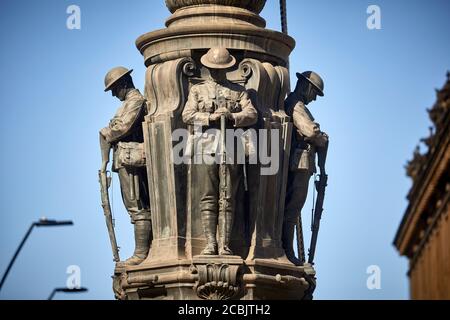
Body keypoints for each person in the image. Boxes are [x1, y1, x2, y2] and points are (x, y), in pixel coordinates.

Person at [182, 47, 258, 256]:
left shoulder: (238, 91)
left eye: (220, 69)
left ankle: (224, 244)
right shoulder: (197, 90)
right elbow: (187, 115)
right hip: (205, 147)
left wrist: (233, 117)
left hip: (232, 147)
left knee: (228, 196)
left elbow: (252, 114)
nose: (216, 72)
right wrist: (210, 118)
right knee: (207, 196)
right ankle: (210, 243)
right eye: (212, 68)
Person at [100, 66, 152, 266]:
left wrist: (106, 131)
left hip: (132, 159)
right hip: (124, 158)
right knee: (133, 207)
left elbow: (123, 128)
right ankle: (143, 251)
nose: (113, 94)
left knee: (137, 206)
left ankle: (141, 255)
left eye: (114, 89)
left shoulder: (136, 101)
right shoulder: (126, 104)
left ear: (124, 84)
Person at [283, 71, 329, 265]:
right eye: (315, 93)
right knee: (293, 208)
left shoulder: (299, 105)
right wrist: (321, 136)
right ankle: (287, 251)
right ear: (307, 86)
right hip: (299, 163)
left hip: (303, 163)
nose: (315, 98)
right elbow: (310, 132)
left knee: (294, 208)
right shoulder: (296, 104)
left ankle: (287, 249)